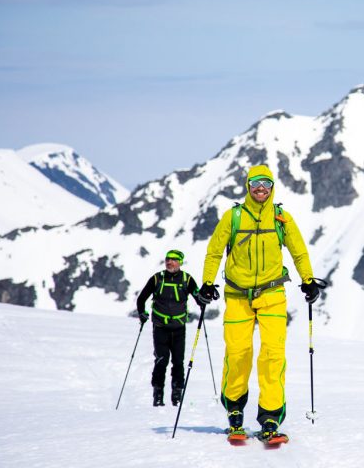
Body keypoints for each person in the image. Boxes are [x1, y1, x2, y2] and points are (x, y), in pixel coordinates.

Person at [198, 164, 325, 443]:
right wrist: (207, 283)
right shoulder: (233, 217)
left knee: (273, 355)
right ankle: (234, 412)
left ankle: (270, 416)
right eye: (255, 182)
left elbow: (299, 251)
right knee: (238, 354)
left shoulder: (281, 218)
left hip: (272, 294)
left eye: (266, 183)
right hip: (237, 296)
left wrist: (308, 280)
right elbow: (214, 252)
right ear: (247, 185)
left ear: (272, 187)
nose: (260, 188)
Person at [136, 249, 201, 407]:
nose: (169, 262)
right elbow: (141, 298)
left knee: (178, 362)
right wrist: (141, 313)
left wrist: (204, 298)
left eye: (173, 260)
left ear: (180, 262)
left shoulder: (187, 279)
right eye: (167, 259)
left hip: (179, 329)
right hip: (160, 328)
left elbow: (198, 297)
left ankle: (177, 394)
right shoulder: (157, 278)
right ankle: (158, 394)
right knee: (161, 360)